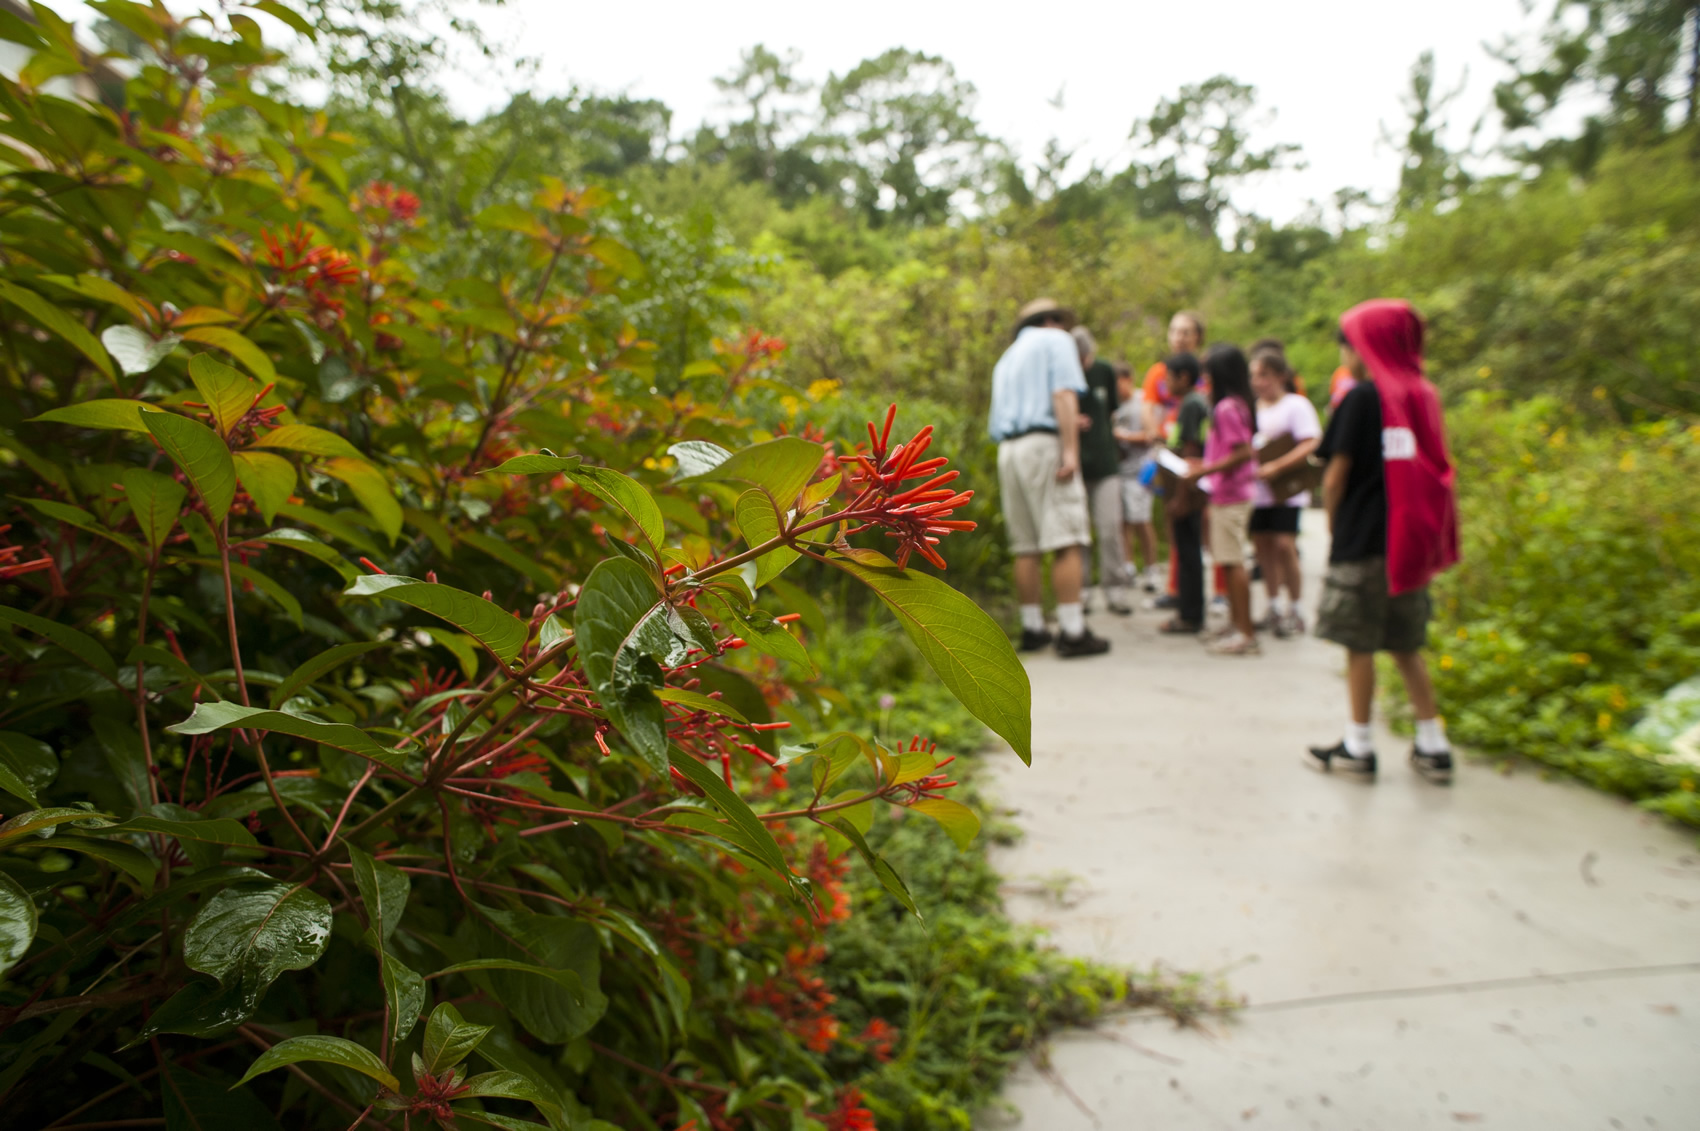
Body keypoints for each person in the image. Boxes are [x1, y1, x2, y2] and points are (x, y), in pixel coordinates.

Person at [1308, 299, 1460, 782]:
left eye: (1347, 343)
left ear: (1367, 347)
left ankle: (1358, 744)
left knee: (1359, 645)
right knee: (1405, 644)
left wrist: (1334, 525)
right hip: (1407, 548)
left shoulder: (1361, 399)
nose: (1345, 354)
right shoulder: (1422, 395)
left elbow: (1334, 477)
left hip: (1363, 543)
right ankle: (1433, 745)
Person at [988, 298, 1112, 658]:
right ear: (1054, 321)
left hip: (1010, 451)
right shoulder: (1056, 341)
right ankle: (1073, 631)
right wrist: (1071, 450)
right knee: (1066, 537)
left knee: (1025, 544)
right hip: (1044, 445)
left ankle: (1032, 627)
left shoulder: (1007, 357)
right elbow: (1062, 394)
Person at [1182, 345, 1260, 656]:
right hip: (1230, 493)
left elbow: (1242, 453)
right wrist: (1205, 466)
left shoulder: (1227, 408)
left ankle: (1246, 633)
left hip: (1231, 496)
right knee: (1227, 562)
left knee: (1232, 562)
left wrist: (1206, 469)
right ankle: (1236, 623)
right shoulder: (1237, 404)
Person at [1248, 348, 1321, 638]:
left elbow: (1310, 442)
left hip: (1286, 492)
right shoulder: (1252, 408)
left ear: (1280, 376)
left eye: (1264, 375)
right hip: (1258, 492)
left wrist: (1278, 466)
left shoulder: (1296, 405)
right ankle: (1274, 604)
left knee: (1284, 545)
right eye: (1254, 375)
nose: (1258, 382)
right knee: (1263, 547)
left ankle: (1297, 606)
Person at [1143, 311, 1206, 605]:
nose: (1179, 337)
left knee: (1193, 535)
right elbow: (1149, 408)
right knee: (1180, 534)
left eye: (1186, 332)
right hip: (1174, 466)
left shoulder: (1195, 398)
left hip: (1189, 475)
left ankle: (1193, 605)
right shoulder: (1159, 373)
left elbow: (1193, 446)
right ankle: (1178, 591)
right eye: (1174, 331)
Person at [1073, 326, 1133, 616]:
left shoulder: (1105, 371)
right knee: (1080, 532)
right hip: (1076, 467)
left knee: (1110, 528)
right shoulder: (1062, 375)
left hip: (1107, 464)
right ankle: (1082, 590)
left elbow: (1111, 409)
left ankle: (1115, 588)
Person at [1155, 352, 1208, 635]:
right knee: (1188, 550)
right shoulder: (1191, 402)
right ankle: (1190, 612)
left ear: (1184, 378)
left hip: (1186, 492)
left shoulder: (1191, 404)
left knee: (1188, 552)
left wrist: (1181, 498)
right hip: (1185, 489)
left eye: (1168, 377)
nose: (1164, 383)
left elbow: (1190, 450)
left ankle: (1190, 616)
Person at [1110, 362, 1159, 587]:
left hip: (1141, 472)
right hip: (1120, 472)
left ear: (1128, 378)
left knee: (1141, 521)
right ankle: (1128, 567)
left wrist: (1123, 436)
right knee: (1122, 522)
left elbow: (1152, 435)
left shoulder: (1142, 402)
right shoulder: (1114, 406)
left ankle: (1151, 569)